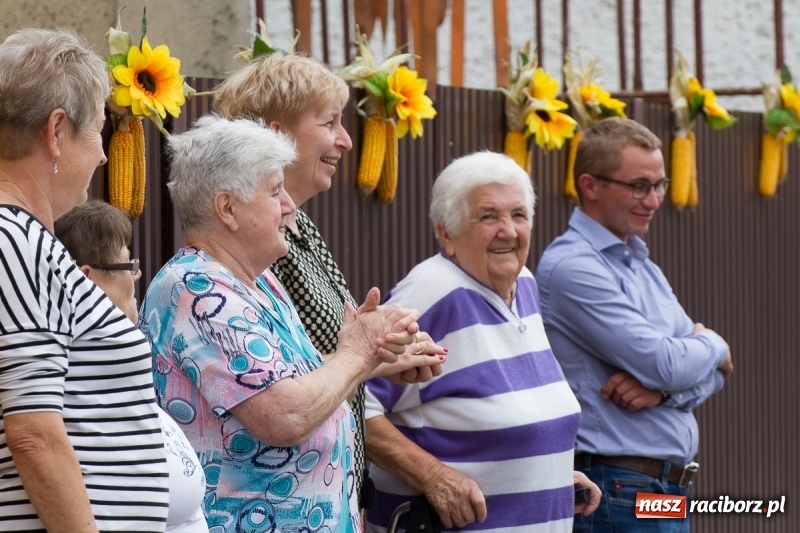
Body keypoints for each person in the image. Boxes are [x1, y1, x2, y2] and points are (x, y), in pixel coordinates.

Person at [138, 114, 432, 533]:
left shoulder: (259, 283)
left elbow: (292, 381)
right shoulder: (197, 289)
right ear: (228, 209)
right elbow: (286, 415)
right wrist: (358, 351)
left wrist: (378, 356)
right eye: (275, 192)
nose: (290, 205)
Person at [212, 52, 445, 510]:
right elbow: (274, 384)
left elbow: (323, 363)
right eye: (330, 123)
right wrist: (368, 355)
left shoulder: (301, 228)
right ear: (277, 134)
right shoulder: (254, 246)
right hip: (283, 502)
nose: (345, 141)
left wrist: (384, 355)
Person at [363, 151, 601, 533]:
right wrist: (433, 476)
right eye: (488, 216)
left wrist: (548, 474)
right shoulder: (433, 291)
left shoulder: (522, 283)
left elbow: (503, 416)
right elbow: (352, 402)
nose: (508, 231)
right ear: (446, 232)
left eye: (519, 215)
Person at [0, 28, 169, 532]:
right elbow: (33, 434)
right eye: (96, 131)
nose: (102, 156)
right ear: (55, 131)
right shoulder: (17, 243)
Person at [535, 117, 733, 532]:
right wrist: (714, 343)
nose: (654, 199)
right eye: (639, 185)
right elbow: (668, 362)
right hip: (617, 490)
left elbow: (710, 378)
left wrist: (661, 394)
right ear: (590, 186)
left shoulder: (641, 264)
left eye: (659, 184)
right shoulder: (574, 267)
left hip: (664, 491)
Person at [54, 200, 209, 533]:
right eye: (129, 265)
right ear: (87, 278)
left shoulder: (116, 367)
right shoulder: (75, 381)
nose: (137, 276)